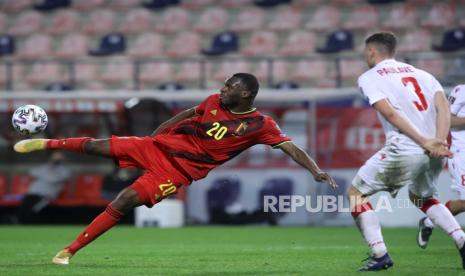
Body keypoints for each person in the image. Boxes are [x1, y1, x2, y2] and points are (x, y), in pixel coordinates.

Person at [13, 73, 337, 265]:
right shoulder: (213, 101)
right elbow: (188, 112)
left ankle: (69, 251)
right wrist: (160, 132)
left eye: (229, 88)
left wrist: (315, 170)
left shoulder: (259, 125)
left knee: (125, 200)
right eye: (223, 86)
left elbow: (291, 147)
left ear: (246, 94)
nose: (222, 90)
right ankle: (45, 143)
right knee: (99, 145)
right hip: (159, 148)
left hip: (177, 172)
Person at [346, 32, 465, 272]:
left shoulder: (369, 77)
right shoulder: (423, 75)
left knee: (356, 193)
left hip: (407, 146)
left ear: (371, 51)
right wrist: (439, 141)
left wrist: (423, 141)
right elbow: (444, 110)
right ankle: (462, 241)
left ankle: (380, 254)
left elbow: (390, 113)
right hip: (435, 148)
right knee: (421, 197)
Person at [418, 84, 465, 248]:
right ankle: (431, 220)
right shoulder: (461, 90)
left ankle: (430, 220)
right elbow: (448, 119)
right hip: (462, 153)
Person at [17, 151, 71, 224]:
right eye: (55, 157)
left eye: (59, 157)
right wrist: (49, 168)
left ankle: (29, 223)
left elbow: (53, 179)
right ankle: (20, 222)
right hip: (32, 194)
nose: (56, 159)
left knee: (34, 209)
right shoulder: (45, 167)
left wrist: (46, 173)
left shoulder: (64, 170)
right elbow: (32, 172)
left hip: (45, 196)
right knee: (24, 206)